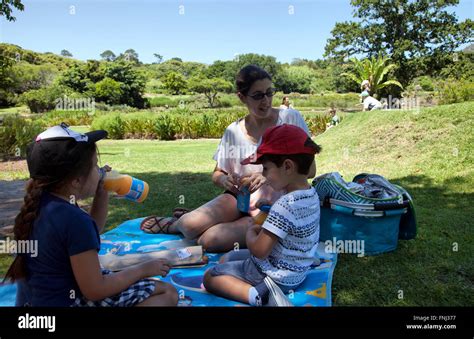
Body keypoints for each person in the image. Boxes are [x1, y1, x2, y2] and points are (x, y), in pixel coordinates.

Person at [140, 65, 315, 253]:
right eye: (257, 95)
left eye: (269, 93)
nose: (266, 101)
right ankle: (176, 225)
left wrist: (269, 176)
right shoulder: (233, 131)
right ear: (241, 97)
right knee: (190, 225)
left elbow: (310, 170)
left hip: (275, 205)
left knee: (208, 241)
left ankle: (219, 224)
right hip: (239, 198)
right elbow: (217, 173)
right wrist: (224, 179)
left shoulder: (290, 119)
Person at [4, 123, 178, 307]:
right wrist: (143, 269)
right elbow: (95, 290)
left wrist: (101, 194)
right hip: (70, 301)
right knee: (167, 292)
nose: (100, 171)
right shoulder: (74, 219)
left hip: (39, 302)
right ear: (76, 181)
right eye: (95, 166)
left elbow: (87, 235)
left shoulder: (43, 205)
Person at [203, 124, 322, 306]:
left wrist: (251, 232)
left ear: (287, 166)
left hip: (274, 276)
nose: (263, 174)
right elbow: (293, 221)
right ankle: (260, 288)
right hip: (297, 271)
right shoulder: (310, 194)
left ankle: (259, 296)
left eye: (266, 168)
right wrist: (270, 208)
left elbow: (259, 251)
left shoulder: (284, 206)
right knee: (228, 257)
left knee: (211, 276)